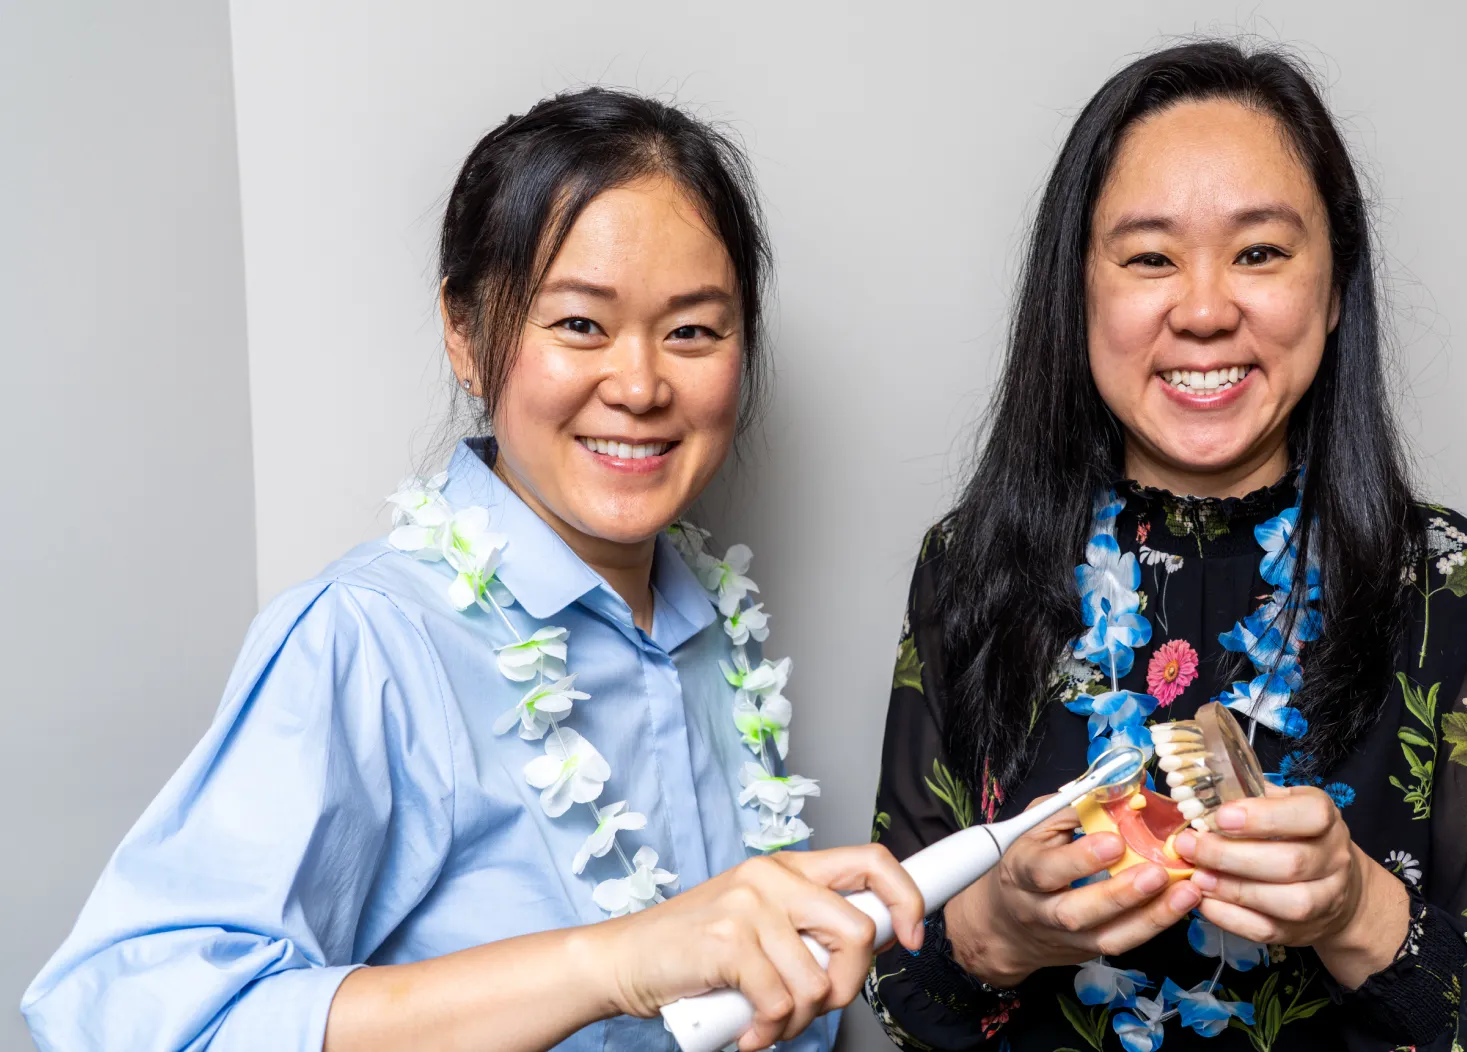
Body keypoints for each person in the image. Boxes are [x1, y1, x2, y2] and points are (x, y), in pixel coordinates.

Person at [21, 87, 924, 1052]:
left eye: (694, 330)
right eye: (579, 324)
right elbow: (127, 1018)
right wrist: (610, 962)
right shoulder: (367, 638)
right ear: (466, 333)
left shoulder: (710, 631)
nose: (640, 384)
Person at [865, 40, 1467, 1051]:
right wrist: (997, 927)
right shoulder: (972, 568)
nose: (1207, 308)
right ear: (1077, 289)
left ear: (1333, 285)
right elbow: (892, 992)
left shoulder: (1465, 595)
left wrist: (1355, 911)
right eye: (1147, 256)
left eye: (1258, 251)